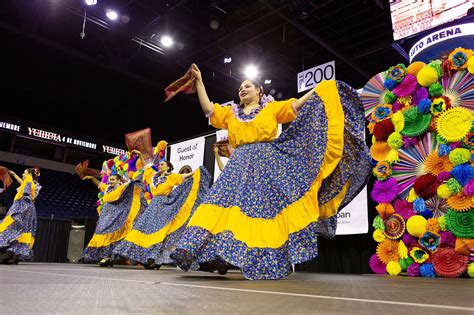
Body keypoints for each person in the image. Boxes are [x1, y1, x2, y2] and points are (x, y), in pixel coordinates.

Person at [170, 64, 371, 280]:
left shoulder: (271, 109)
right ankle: (212, 254)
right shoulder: (230, 114)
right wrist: (199, 81)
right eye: (239, 88)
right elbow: (209, 109)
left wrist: (320, 88)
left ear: (259, 91)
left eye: (247, 86)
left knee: (261, 213)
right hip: (238, 166)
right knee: (219, 205)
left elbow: (298, 105)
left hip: (265, 166)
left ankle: (261, 259)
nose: (242, 89)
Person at [113, 151, 211, 269]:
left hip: (164, 205)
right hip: (154, 205)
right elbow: (146, 167)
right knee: (144, 228)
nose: (160, 166)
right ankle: (147, 257)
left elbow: (184, 176)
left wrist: (196, 172)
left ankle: (154, 259)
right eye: (160, 164)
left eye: (163, 164)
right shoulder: (154, 176)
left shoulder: (171, 177)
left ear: (169, 167)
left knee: (160, 231)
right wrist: (140, 155)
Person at [81, 162, 148, 267]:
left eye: (113, 179)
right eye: (110, 179)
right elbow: (99, 184)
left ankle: (107, 257)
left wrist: (139, 174)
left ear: (118, 181)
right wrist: (90, 177)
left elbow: (131, 184)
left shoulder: (121, 188)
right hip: (105, 216)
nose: (110, 181)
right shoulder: (107, 188)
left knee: (112, 236)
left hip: (116, 216)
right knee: (101, 233)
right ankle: (106, 257)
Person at [0, 168, 41, 264]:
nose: (23, 174)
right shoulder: (30, 182)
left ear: (29, 174)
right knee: (24, 231)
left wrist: (19, 209)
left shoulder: (29, 181)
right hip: (29, 208)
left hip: (23, 206)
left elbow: (26, 189)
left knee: (12, 225)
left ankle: (12, 255)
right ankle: (14, 256)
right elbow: (23, 183)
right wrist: (14, 174)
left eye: (24, 172)